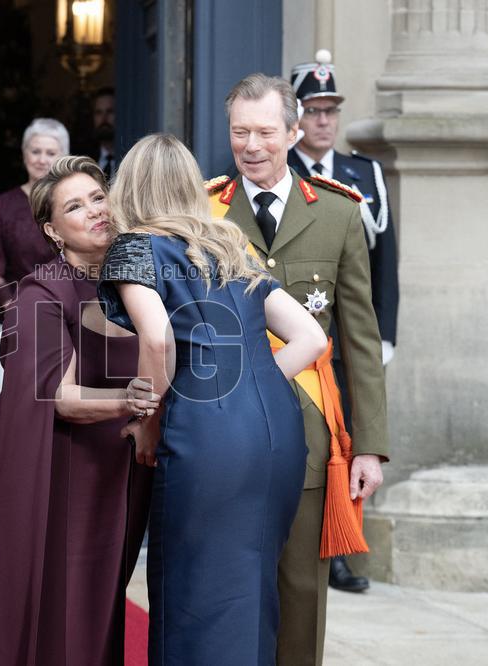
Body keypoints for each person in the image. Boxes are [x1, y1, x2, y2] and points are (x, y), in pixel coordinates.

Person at [98, 133, 325, 665]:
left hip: (205, 439)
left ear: (129, 187)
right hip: (278, 434)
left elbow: (156, 339)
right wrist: (252, 383)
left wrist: (149, 421)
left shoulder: (136, 246)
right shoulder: (228, 244)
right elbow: (312, 337)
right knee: (252, 588)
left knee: (193, 591)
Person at [206, 73, 389, 666]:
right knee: (225, 587)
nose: (251, 146)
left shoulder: (338, 213)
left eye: (264, 132)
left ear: (293, 131)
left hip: (309, 431)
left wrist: (369, 447)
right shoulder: (202, 212)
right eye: (240, 133)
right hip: (221, 428)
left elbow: (361, 338)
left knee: (302, 593)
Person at [0, 155, 155, 666]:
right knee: (62, 610)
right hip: (55, 468)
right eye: (75, 206)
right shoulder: (42, 291)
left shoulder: (131, 279)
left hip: (112, 465)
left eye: (98, 197)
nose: (95, 211)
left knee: (98, 607)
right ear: (52, 230)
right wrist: (131, 403)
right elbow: (59, 397)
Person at [288, 50, 400, 594]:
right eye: (314, 110)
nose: (325, 120)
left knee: (352, 443)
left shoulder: (365, 173)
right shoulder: (279, 174)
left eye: (332, 109)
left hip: (348, 343)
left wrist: (386, 336)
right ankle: (307, 549)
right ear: (296, 118)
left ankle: (340, 550)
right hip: (297, 339)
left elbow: (384, 264)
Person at [0, 118, 70, 401]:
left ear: (63, 157)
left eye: (50, 152)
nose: (42, 159)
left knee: (58, 402)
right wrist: (20, 312)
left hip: (65, 320)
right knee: (6, 401)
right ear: (23, 153)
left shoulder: (73, 204)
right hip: (10, 322)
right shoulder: (4, 204)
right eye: (35, 151)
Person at [88, 87, 116, 179]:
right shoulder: (85, 157)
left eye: (110, 111)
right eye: (98, 112)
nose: (104, 118)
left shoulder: (131, 156)